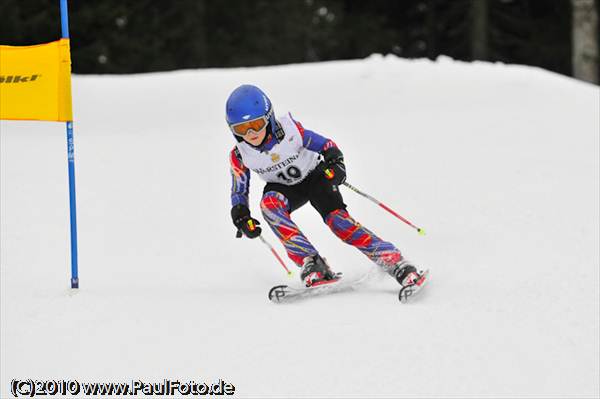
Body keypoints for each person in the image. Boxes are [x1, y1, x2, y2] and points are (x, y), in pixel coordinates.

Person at [227, 84, 422, 288]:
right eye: (241, 129)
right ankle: (312, 263)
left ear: (269, 117)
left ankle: (394, 261)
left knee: (339, 222)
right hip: (284, 189)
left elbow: (327, 146)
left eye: (257, 124)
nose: (250, 133)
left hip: (315, 177)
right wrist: (240, 214)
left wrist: (336, 162)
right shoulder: (240, 154)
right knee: (269, 205)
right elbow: (239, 189)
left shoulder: (291, 131)